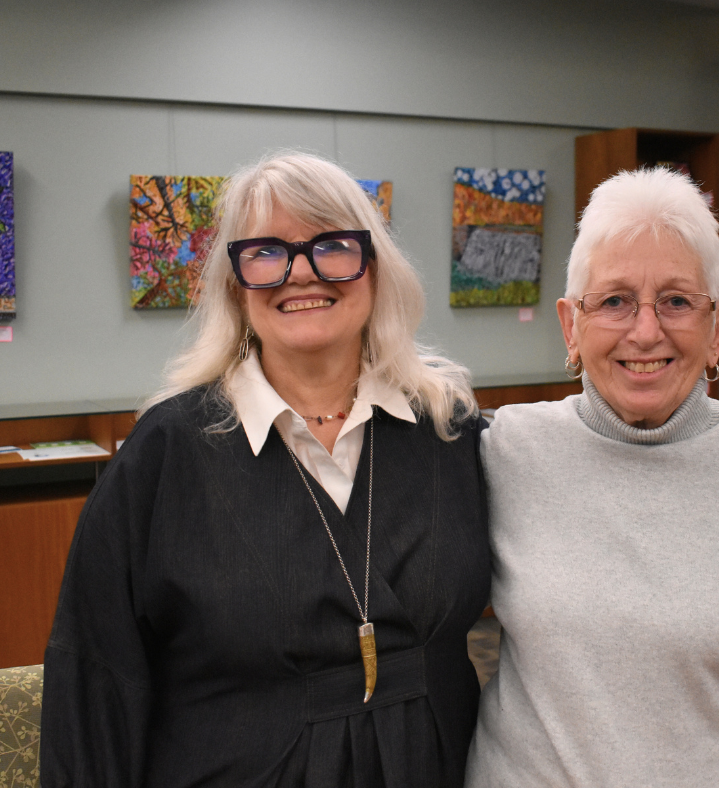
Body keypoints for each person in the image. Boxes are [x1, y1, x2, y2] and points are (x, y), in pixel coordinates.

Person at [41, 152, 490, 787]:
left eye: (332, 246)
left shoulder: (450, 431)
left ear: (375, 268)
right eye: (266, 253)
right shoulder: (166, 454)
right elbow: (95, 684)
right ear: (234, 283)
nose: (300, 274)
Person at [465, 167, 719, 787]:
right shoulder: (503, 449)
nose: (645, 331)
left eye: (676, 301)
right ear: (570, 325)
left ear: (717, 328)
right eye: (615, 300)